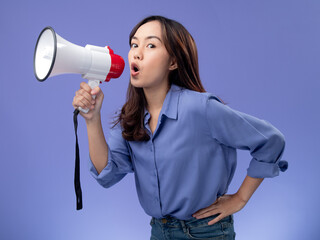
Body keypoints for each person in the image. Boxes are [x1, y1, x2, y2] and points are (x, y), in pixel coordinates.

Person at [72, 15, 288, 240]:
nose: (137, 52)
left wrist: (241, 198)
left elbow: (271, 141)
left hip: (206, 232)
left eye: (151, 45)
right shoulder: (131, 116)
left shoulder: (200, 108)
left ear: (173, 62)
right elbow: (107, 174)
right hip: (159, 231)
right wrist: (92, 119)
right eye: (134, 44)